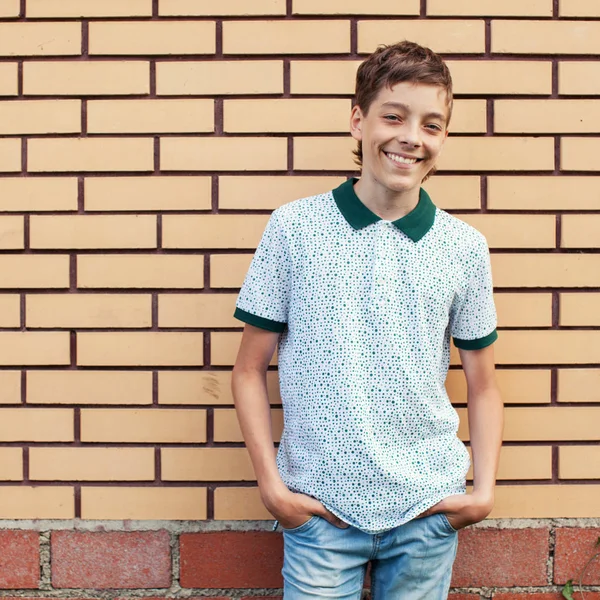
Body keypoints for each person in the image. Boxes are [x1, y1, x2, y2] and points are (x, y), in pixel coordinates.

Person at [231, 40, 503, 600]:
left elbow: (484, 384)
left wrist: (483, 492)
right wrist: (272, 487)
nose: (412, 137)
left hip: (427, 511)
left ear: (444, 137)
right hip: (319, 512)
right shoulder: (293, 229)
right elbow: (248, 369)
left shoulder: (463, 247)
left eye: (432, 124)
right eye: (394, 116)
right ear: (358, 121)